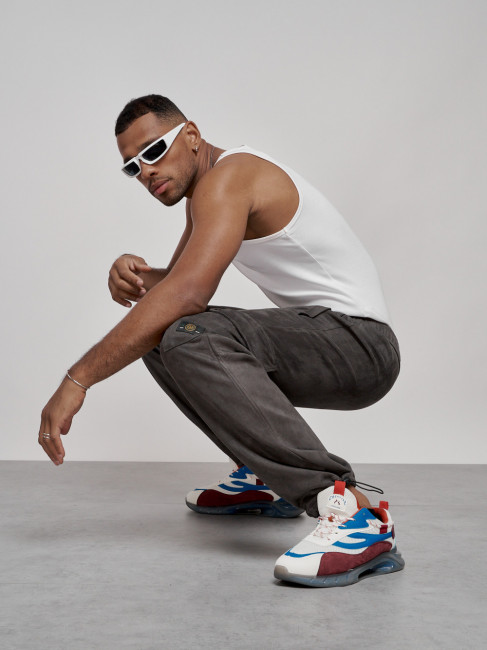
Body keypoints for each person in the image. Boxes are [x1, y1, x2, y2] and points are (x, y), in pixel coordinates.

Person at [38, 94, 404, 588]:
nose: (146, 171)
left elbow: (187, 296)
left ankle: (350, 511)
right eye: (132, 166)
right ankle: (265, 477)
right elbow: (171, 289)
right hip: (331, 339)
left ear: (191, 135)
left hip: (361, 346)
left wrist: (77, 379)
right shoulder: (206, 194)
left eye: (154, 150)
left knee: (186, 332)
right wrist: (134, 275)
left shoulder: (230, 178)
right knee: (159, 332)